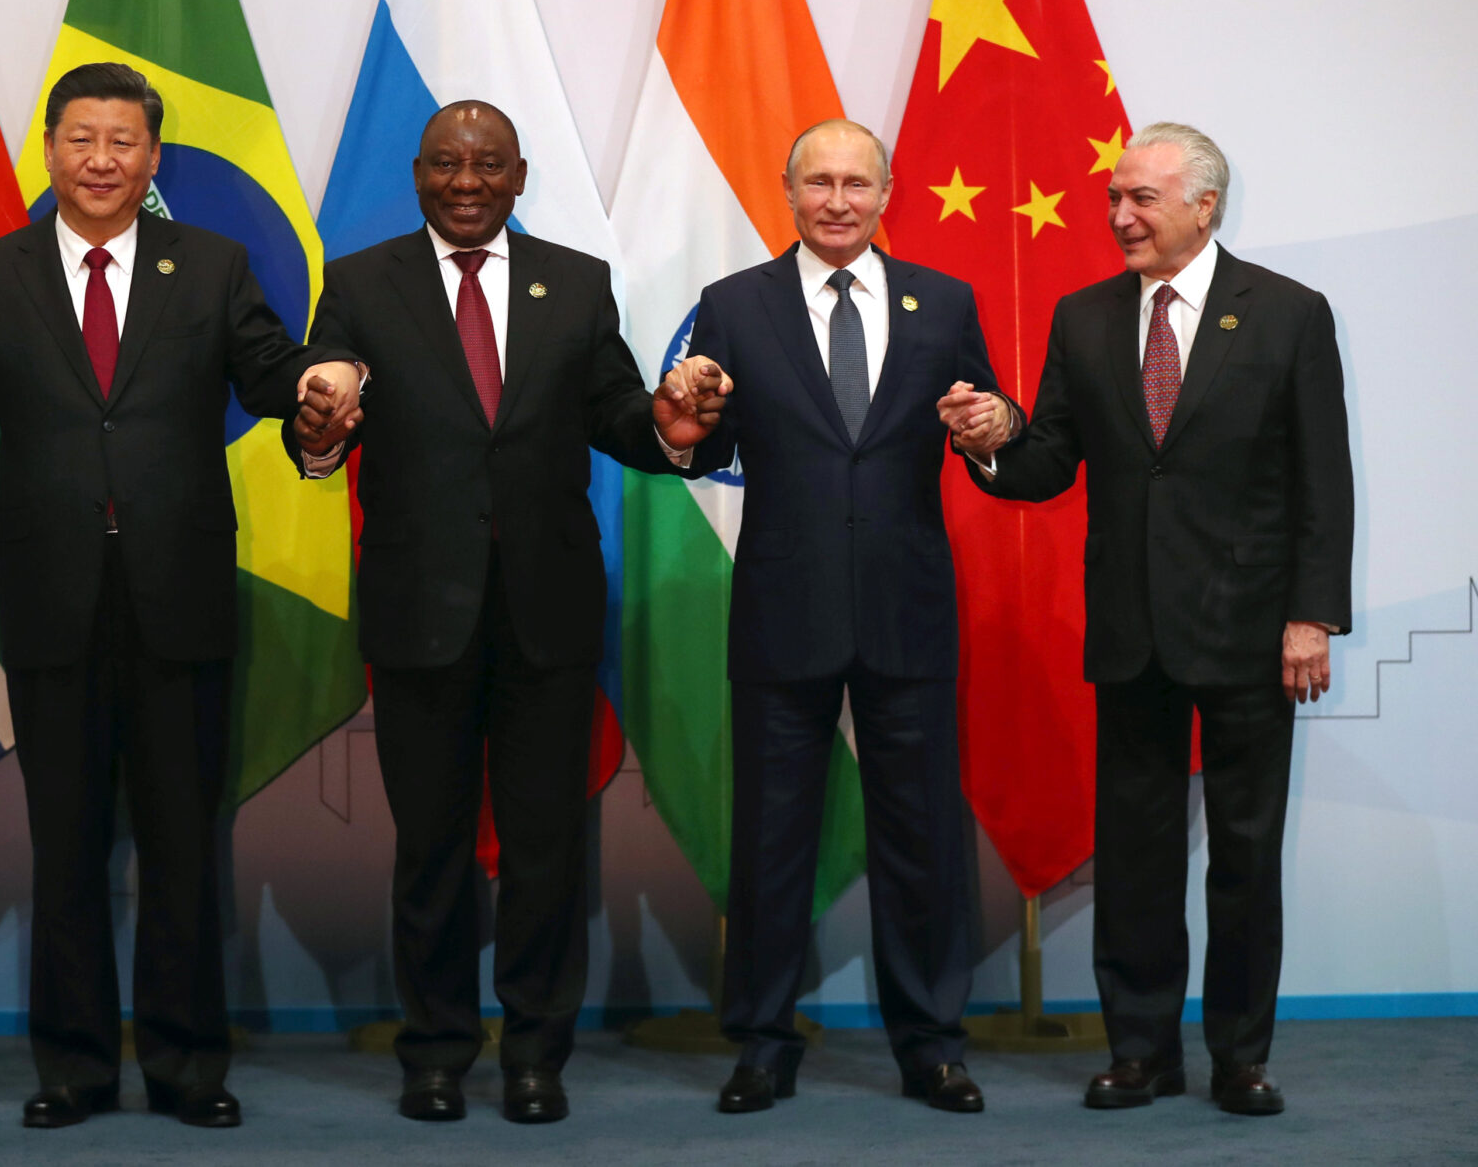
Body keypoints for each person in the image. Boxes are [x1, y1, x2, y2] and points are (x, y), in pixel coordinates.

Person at [0, 62, 360, 1131]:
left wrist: (316, 393)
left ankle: (187, 1066)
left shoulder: (212, 264)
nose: (101, 159)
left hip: (180, 594)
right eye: (82, 139)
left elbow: (269, 372)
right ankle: (74, 1069)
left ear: (151, 157)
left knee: (185, 844)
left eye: (123, 141)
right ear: (50, 150)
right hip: (51, 599)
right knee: (66, 845)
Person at [284, 100, 725, 1125]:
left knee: (545, 850)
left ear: (519, 177)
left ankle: (535, 1056)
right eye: (447, 163)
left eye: (488, 165)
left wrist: (670, 425)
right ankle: (435, 1055)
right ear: (418, 174)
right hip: (418, 613)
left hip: (547, 612)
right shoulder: (359, 283)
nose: (467, 182)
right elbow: (322, 416)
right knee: (429, 851)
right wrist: (319, 429)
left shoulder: (575, 281)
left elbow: (616, 413)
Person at [947, 122, 1352, 1117]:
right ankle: (1139, 1050)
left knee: (1245, 856)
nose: (1120, 216)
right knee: (1133, 855)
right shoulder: (1083, 316)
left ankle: (1239, 1056)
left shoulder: (1288, 312)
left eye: (1142, 198)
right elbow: (1048, 461)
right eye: (1113, 198)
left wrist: (1311, 615)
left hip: (1251, 630)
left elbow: (1323, 478)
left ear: (1204, 205)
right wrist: (990, 439)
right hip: (1131, 627)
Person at [678, 118, 1018, 1116]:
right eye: (818, 182)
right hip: (782, 608)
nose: (836, 201)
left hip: (907, 608)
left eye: (855, 183)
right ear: (787, 191)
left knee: (923, 840)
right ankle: (761, 1043)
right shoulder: (732, 304)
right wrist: (685, 423)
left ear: (886, 192)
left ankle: (931, 1045)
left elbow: (986, 426)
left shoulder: (943, 302)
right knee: (770, 839)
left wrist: (993, 428)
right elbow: (704, 445)